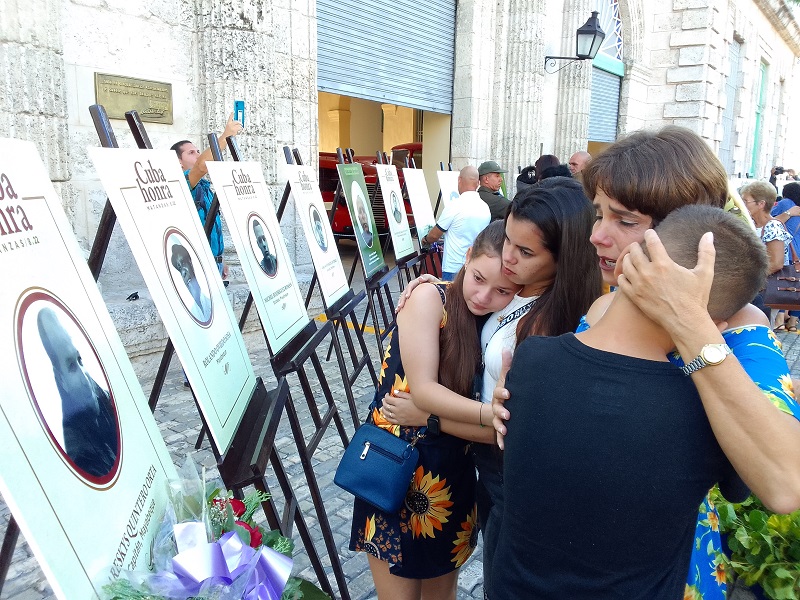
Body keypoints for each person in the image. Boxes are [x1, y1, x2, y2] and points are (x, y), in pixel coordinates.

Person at [492, 125, 800, 600]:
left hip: (668, 572)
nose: (597, 236)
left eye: (625, 220)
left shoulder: (741, 328)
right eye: (599, 214)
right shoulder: (606, 299)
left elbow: (785, 484)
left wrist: (689, 323)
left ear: (693, 232)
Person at [386, 177, 601, 596]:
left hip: (509, 479)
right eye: (509, 241)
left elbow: (509, 429)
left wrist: (432, 418)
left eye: (525, 251)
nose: (509, 258)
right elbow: (474, 302)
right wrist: (433, 287)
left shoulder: (545, 327)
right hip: (479, 471)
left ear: (564, 258)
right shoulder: (517, 293)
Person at [348, 221, 520, 600]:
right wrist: (487, 413)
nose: (483, 295)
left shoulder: (494, 325)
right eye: (478, 278)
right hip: (396, 468)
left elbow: (497, 433)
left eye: (502, 290)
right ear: (468, 255)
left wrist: (433, 419)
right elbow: (424, 391)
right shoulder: (430, 298)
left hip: (450, 477)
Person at [37, 307, 118, 477]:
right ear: (61, 380)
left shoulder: (101, 397)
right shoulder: (78, 452)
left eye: (80, 360)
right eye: (71, 366)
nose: (84, 376)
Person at [170, 114, 242, 278]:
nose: (197, 154)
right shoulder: (183, 183)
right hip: (198, 265)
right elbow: (201, 166)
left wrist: (220, 260)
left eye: (197, 151)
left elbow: (212, 228)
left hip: (213, 263)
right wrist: (225, 137)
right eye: (191, 153)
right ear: (179, 161)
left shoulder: (204, 186)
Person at [421, 166, 490, 281]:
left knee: (451, 298)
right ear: (478, 183)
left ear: (459, 180)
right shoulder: (485, 207)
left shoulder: (454, 206)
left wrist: (425, 240)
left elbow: (434, 235)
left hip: (453, 267)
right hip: (475, 266)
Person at [741, 180, 792, 321]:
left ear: (761, 204)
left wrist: (750, 280)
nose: (743, 204)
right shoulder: (753, 225)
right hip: (759, 289)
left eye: (746, 201)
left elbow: (776, 263)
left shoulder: (772, 226)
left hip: (765, 289)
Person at [170, 243, 212, 322]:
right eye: (179, 267)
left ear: (190, 262)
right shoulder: (187, 309)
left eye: (183, 263)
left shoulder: (210, 301)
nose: (183, 272)